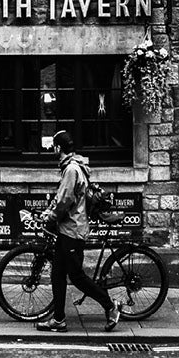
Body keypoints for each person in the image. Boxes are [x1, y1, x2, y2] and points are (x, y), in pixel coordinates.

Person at [35, 129, 123, 333]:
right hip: (67, 229)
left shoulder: (71, 170)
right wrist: (51, 212)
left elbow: (65, 200)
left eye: (54, 147)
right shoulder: (73, 167)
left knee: (77, 277)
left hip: (72, 230)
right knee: (57, 274)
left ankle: (111, 306)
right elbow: (64, 198)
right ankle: (58, 320)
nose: (52, 150)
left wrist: (50, 216)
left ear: (58, 147)